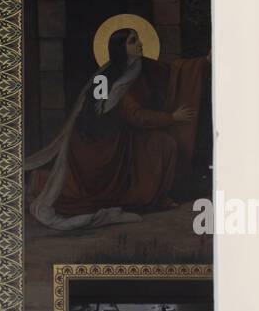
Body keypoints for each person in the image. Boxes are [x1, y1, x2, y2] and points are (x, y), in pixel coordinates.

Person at [25, 28, 209, 230]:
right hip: (100, 142)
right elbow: (132, 114)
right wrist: (172, 117)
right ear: (121, 48)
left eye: (138, 39)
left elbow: (174, 71)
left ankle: (158, 198)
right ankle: (39, 182)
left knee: (164, 144)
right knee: (159, 147)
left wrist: (203, 62)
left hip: (126, 135)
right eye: (132, 41)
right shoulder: (107, 77)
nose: (140, 44)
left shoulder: (142, 66)